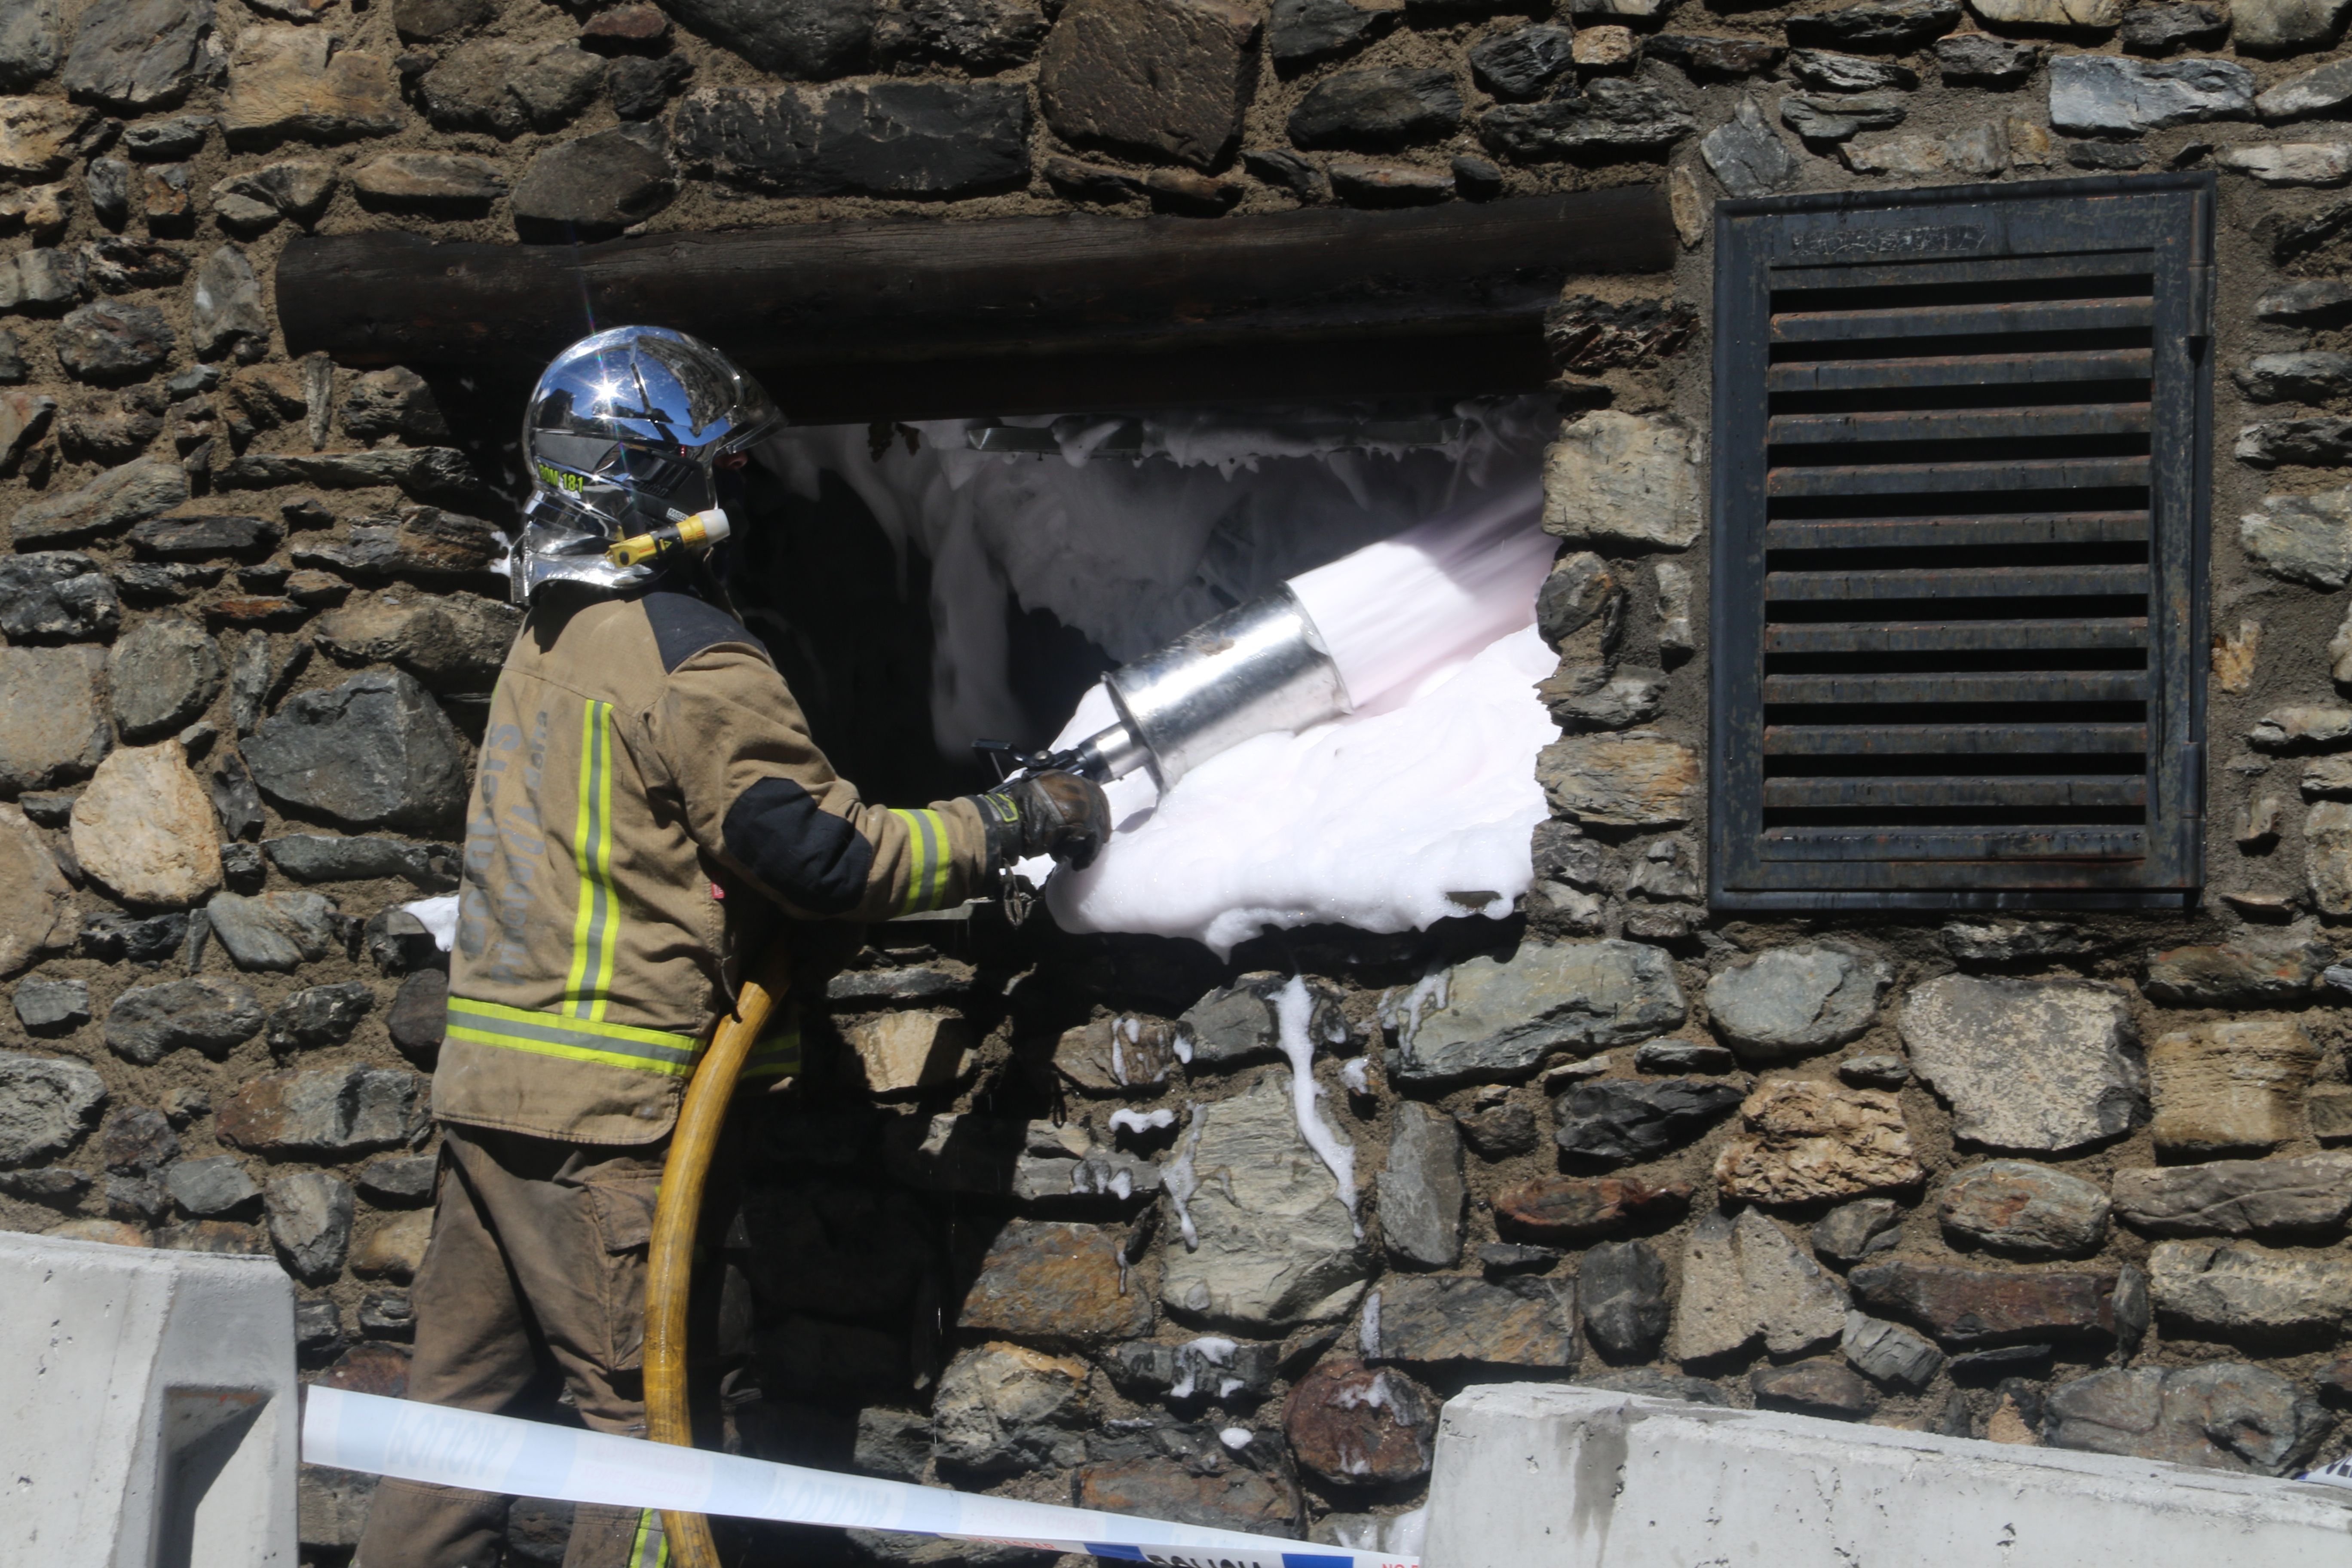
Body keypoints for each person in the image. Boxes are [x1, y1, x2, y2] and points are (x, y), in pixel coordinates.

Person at [355, 327, 1110, 1568]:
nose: (740, 492)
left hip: (495, 1097)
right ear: (656, 485)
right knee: (647, 1432)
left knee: (458, 1415)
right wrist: (1015, 820)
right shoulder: (693, 656)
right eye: (719, 469)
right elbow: (823, 857)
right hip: (614, 1122)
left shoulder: (552, 635)